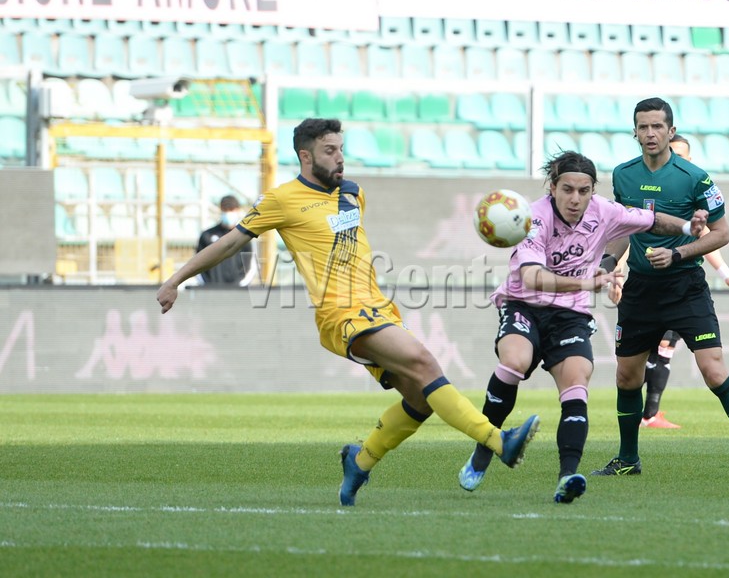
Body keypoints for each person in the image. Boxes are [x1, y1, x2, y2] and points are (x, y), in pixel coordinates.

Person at [156, 118, 541, 506]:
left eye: (341, 149)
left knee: (421, 398)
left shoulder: (353, 194)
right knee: (424, 363)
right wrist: (176, 280)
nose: (339, 157)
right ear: (306, 156)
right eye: (329, 151)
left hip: (378, 309)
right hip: (341, 316)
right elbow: (229, 243)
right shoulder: (282, 200)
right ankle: (498, 441)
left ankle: (360, 461)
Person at [457, 150, 708, 504]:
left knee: (577, 381)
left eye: (584, 190)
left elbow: (650, 220)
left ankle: (567, 477)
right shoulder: (532, 218)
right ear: (553, 187)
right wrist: (585, 283)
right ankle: (484, 450)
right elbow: (532, 276)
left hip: (570, 314)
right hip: (524, 305)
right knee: (514, 361)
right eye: (568, 189)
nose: (575, 199)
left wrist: (686, 228)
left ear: (592, 191)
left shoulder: (604, 210)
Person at [592, 97, 729, 479]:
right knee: (627, 377)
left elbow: (722, 233)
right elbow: (624, 229)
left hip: (685, 287)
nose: (650, 133)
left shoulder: (695, 178)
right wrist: (608, 264)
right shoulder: (623, 175)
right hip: (641, 289)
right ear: (634, 132)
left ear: (671, 131)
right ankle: (628, 459)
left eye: (657, 126)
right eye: (643, 126)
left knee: (714, 371)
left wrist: (678, 254)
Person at [637, 134, 729, 429]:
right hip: (647, 286)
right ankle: (647, 417)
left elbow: (708, 240)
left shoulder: (690, 194)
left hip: (680, 287)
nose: (677, 160)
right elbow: (627, 233)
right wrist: (617, 272)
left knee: (664, 349)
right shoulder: (645, 191)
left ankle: (649, 414)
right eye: (673, 153)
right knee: (644, 357)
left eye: (682, 156)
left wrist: (727, 276)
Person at [195, 195, 257, 287]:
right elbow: (197, 264)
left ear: (237, 210)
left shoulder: (244, 236)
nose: (228, 213)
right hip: (211, 290)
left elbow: (250, 266)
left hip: (238, 292)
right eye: (225, 210)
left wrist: (239, 287)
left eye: (231, 210)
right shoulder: (207, 235)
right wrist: (207, 286)